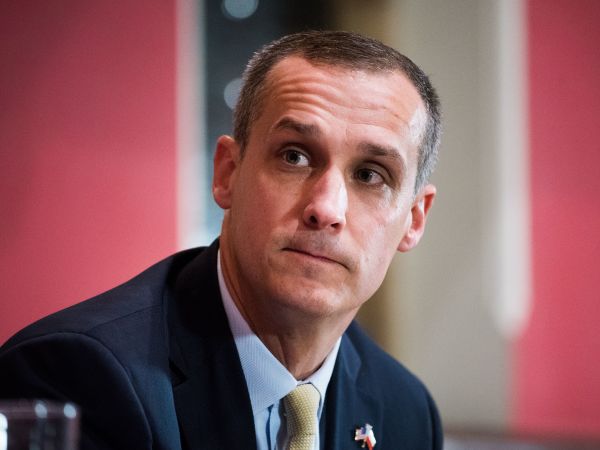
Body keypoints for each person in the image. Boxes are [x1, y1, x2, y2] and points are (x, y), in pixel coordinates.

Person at [0, 30, 442, 450]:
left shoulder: (405, 411)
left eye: (370, 175)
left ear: (414, 219)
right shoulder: (75, 376)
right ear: (227, 172)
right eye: (294, 156)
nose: (326, 208)